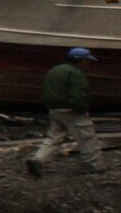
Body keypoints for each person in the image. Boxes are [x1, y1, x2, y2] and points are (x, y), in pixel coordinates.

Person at [29, 47, 105, 175]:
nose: (89, 64)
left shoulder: (54, 70)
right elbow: (77, 95)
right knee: (87, 137)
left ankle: (38, 160)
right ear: (80, 60)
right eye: (87, 61)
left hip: (54, 110)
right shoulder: (76, 73)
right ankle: (93, 163)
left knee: (54, 137)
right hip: (71, 111)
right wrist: (82, 110)